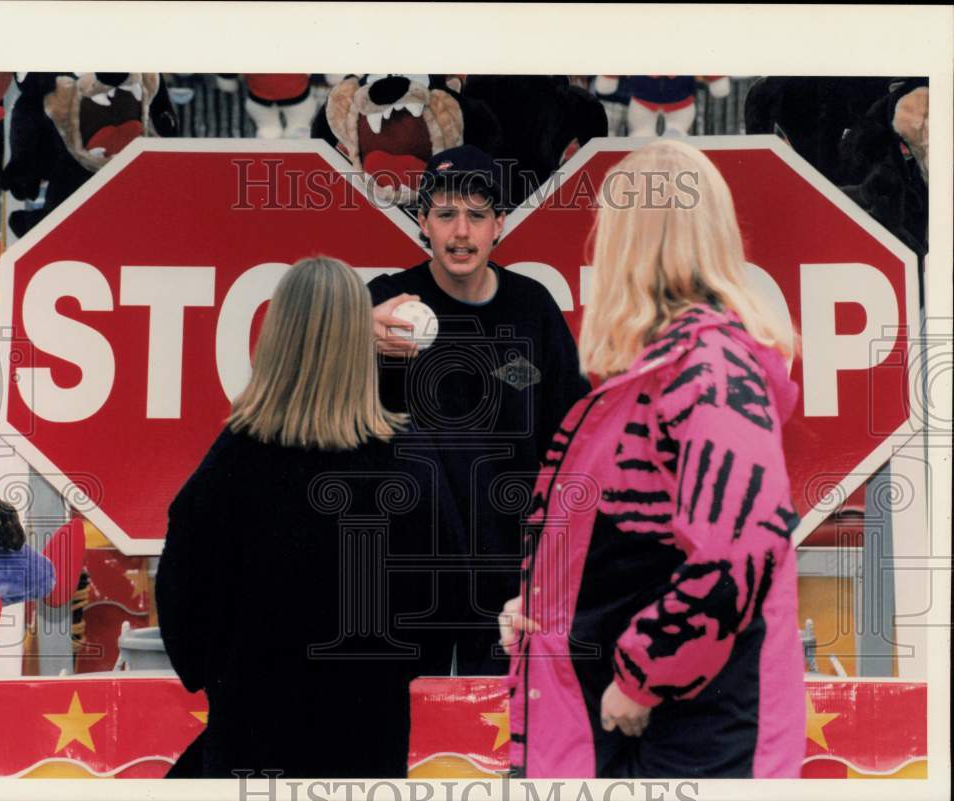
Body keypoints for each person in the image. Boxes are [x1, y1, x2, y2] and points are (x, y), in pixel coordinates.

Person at [500, 139, 806, 778]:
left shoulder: (710, 371)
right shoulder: (657, 373)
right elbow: (625, 551)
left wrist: (643, 675)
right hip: (652, 734)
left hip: (695, 739)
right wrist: (542, 618)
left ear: (630, 241)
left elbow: (739, 553)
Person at [156, 257, 454, 778]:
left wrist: (219, 676)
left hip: (248, 735)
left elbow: (184, 604)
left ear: (276, 337)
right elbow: (440, 610)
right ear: (358, 345)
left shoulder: (231, 462)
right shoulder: (408, 463)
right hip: (367, 740)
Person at [368, 145, 591, 676]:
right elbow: (309, 382)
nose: (461, 232)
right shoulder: (385, 304)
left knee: (497, 730)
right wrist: (353, 332)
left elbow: (573, 435)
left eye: (476, 215)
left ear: (500, 225)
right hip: (406, 569)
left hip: (508, 574)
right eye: (445, 214)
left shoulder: (532, 306)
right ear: (423, 221)